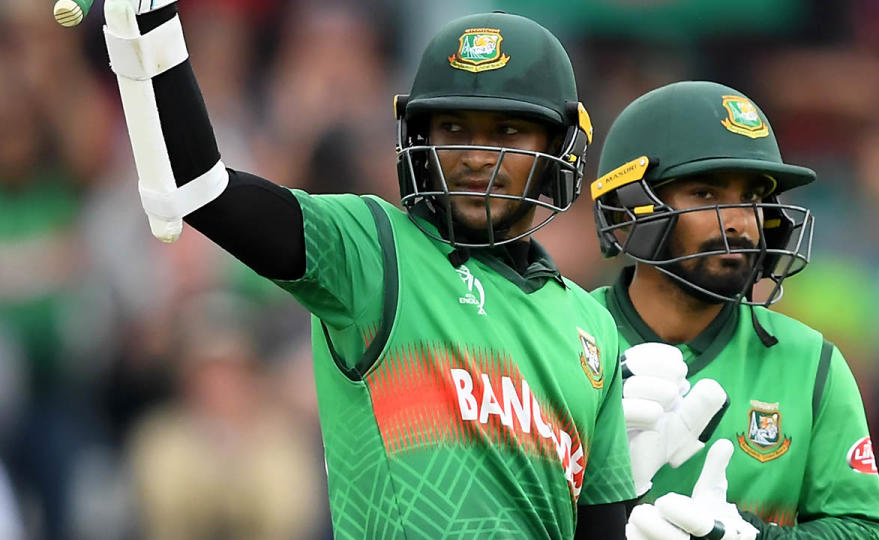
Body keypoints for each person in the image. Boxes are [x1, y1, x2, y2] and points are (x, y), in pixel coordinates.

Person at [100, 1, 636, 537]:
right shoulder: (372, 250)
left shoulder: (595, 327)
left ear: (559, 147)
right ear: (420, 141)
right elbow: (204, 192)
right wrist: (149, 29)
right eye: (453, 127)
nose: (477, 157)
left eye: (508, 132)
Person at [589, 81, 879, 538]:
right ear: (627, 210)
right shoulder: (563, 336)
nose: (739, 221)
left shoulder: (809, 361)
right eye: (706, 195)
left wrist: (756, 538)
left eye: (752, 198)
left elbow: (865, 530)